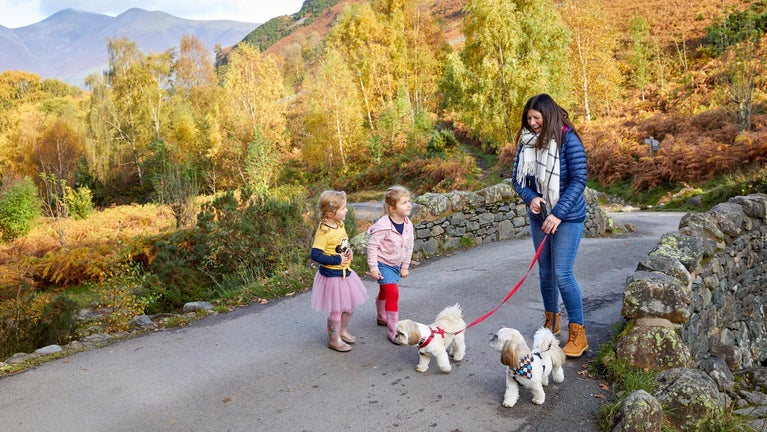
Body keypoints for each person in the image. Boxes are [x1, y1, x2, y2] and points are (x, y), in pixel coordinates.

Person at [511, 94, 589, 358]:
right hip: (539, 216)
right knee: (546, 273)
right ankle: (551, 323)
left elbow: (579, 180)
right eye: (528, 118)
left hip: (566, 217)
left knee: (562, 274)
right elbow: (517, 180)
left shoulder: (569, 140)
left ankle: (578, 332)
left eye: (536, 118)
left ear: (549, 115)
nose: (532, 123)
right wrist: (531, 198)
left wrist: (557, 213)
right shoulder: (526, 142)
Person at [310, 190, 369, 352]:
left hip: (346, 273)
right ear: (330, 212)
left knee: (349, 308)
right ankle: (333, 339)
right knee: (336, 310)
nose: (347, 210)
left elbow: (342, 244)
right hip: (332, 277)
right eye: (343, 208)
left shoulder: (339, 225)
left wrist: (347, 252)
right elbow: (315, 254)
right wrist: (336, 260)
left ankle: (342, 330)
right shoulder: (324, 232)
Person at [366, 185, 415, 343]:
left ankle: (382, 316)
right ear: (392, 208)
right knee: (393, 293)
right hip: (383, 263)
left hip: (396, 264)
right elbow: (372, 247)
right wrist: (373, 268)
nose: (409, 205)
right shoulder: (383, 226)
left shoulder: (408, 224)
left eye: (409, 201)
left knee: (385, 290)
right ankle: (394, 331)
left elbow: (410, 245)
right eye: (404, 203)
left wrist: (405, 266)